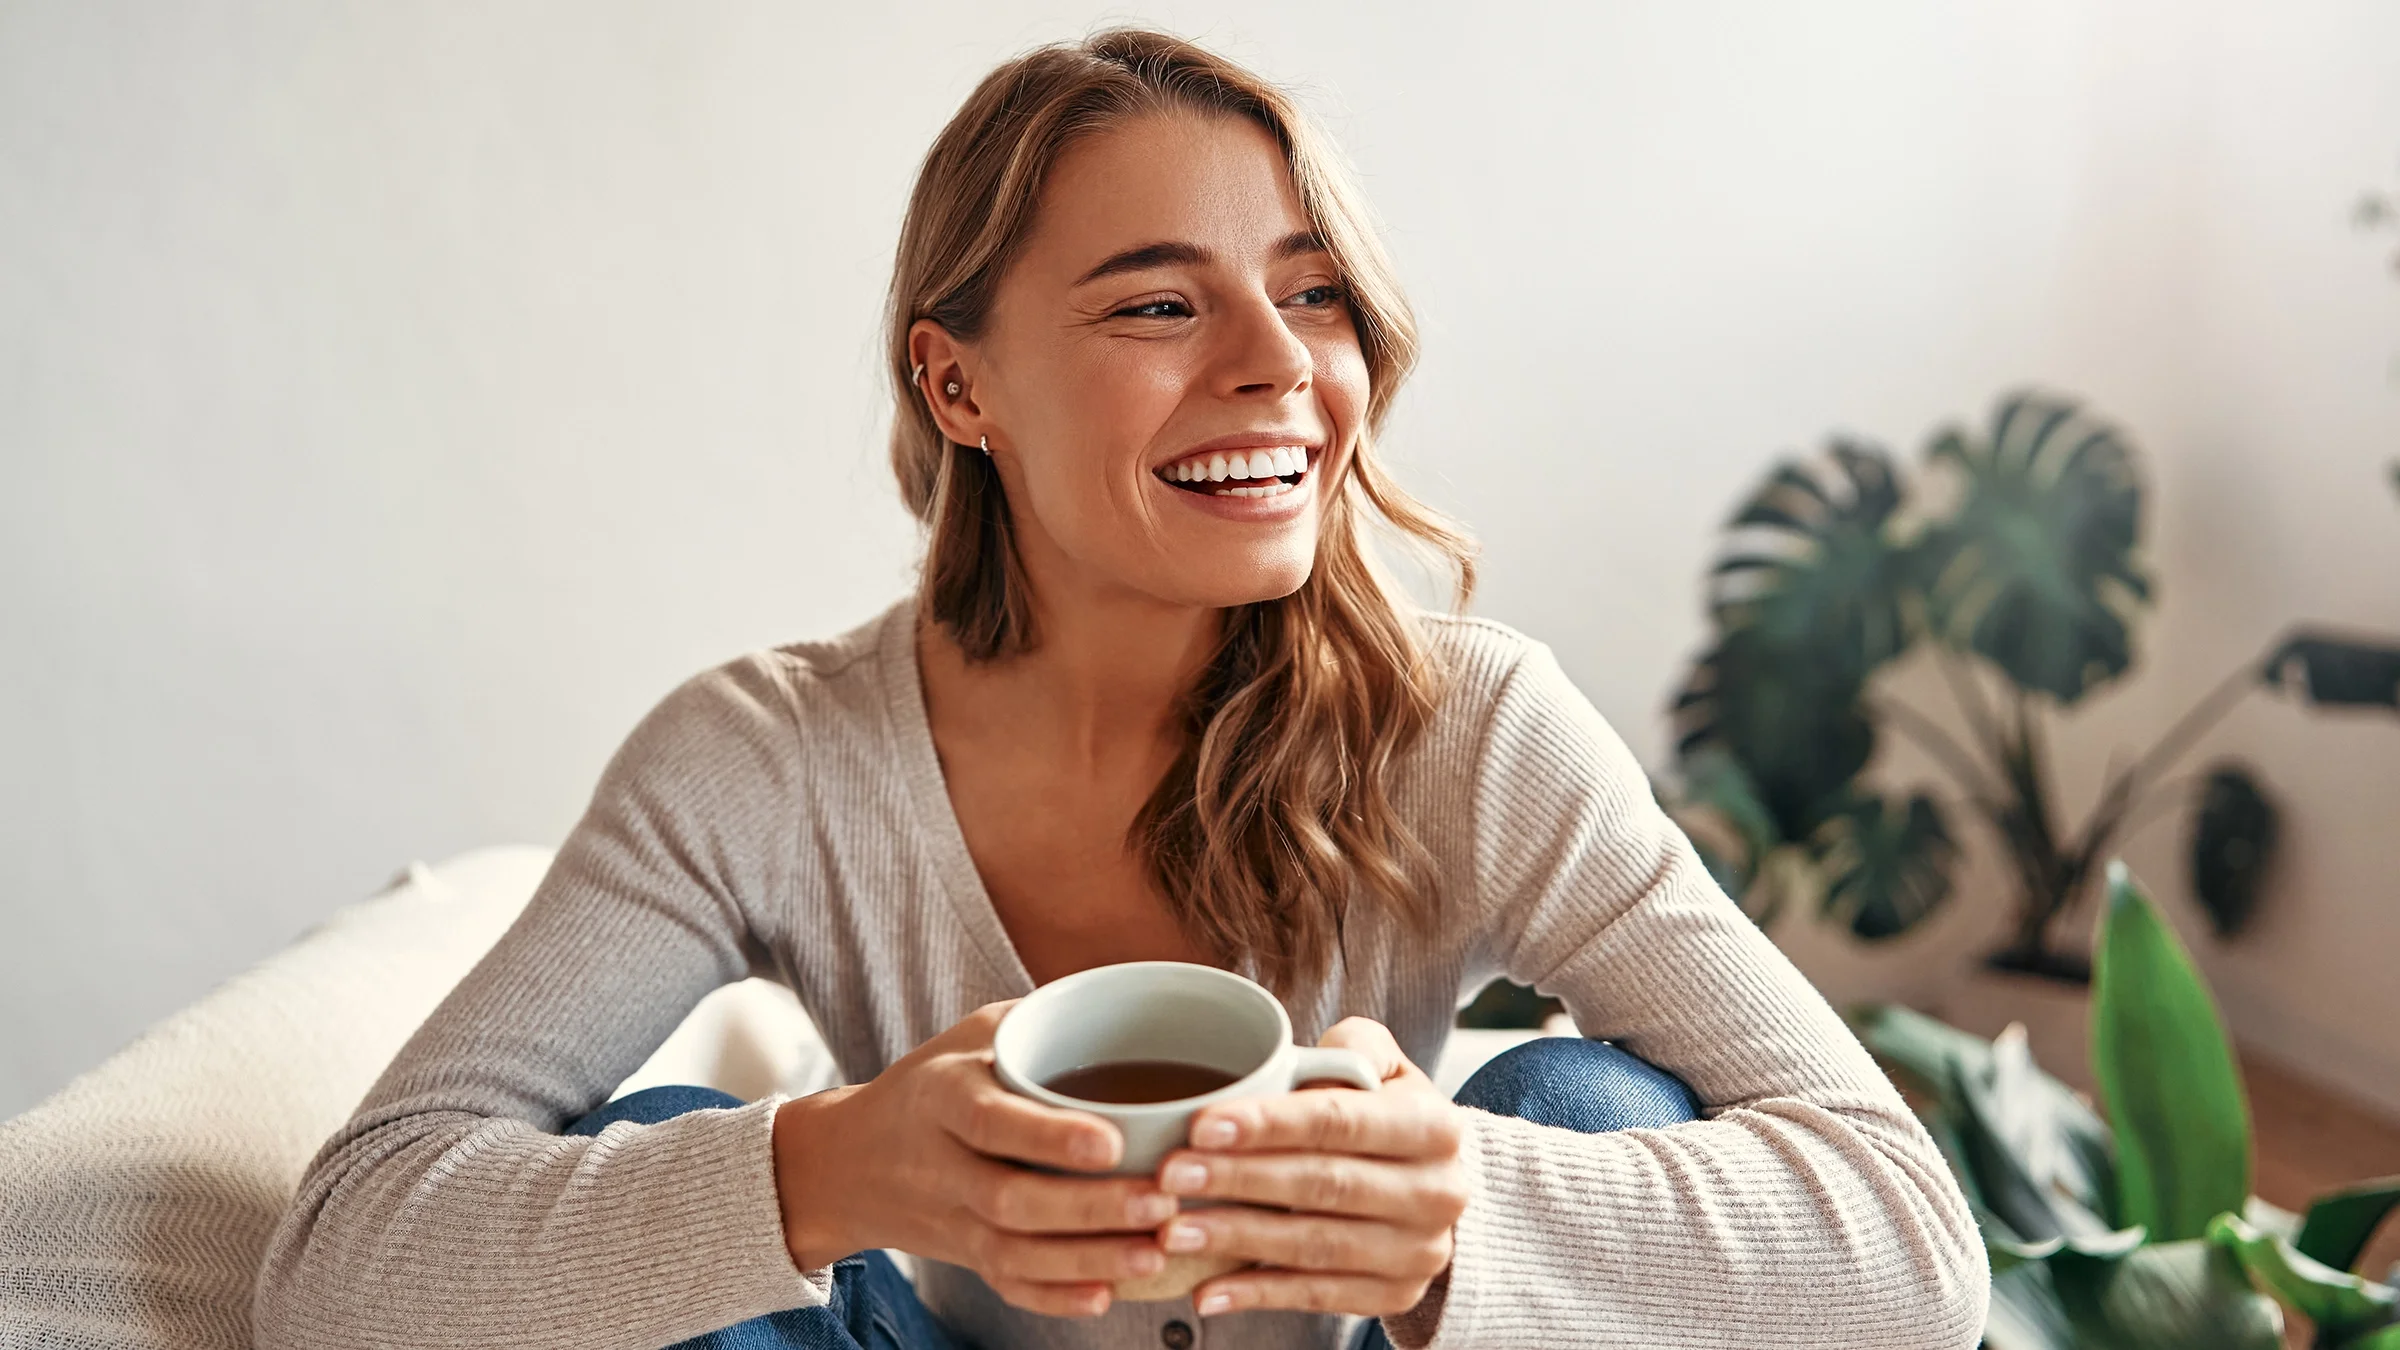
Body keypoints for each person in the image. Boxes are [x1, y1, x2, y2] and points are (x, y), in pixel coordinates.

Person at [253, 26, 1987, 1350]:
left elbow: (1917, 1256)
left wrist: (1461, 1219)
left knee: (1589, 1116)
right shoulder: (763, 762)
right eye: (1160, 302)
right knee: (674, 1150)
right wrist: (833, 1166)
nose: (1279, 367)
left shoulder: (1471, 730)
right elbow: (336, 1265)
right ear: (959, 387)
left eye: (1312, 292)